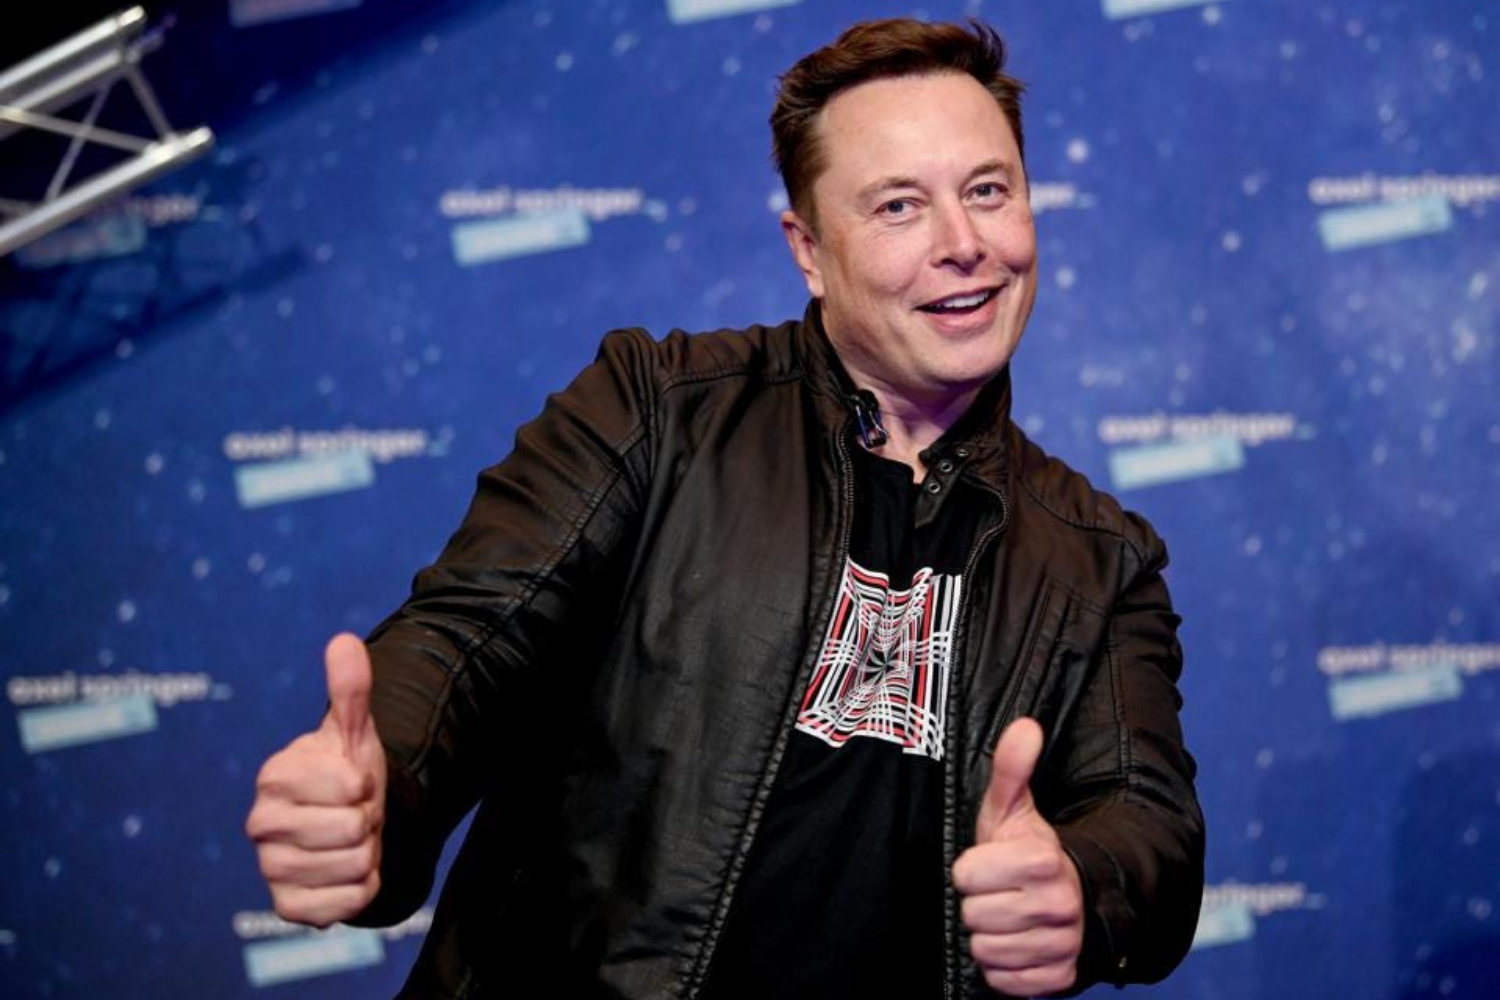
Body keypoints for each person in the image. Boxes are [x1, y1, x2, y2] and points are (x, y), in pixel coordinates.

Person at [245, 18, 1205, 999]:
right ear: (809, 250)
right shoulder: (654, 412)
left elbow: (1148, 823)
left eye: (988, 192)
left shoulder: (1101, 558)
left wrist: (1081, 888)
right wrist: (379, 789)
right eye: (899, 206)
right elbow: (468, 642)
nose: (963, 245)